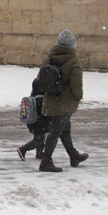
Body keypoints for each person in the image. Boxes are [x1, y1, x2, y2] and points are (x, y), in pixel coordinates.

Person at [38, 29, 89, 172]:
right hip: (65, 103)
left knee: (65, 129)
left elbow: (39, 79)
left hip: (51, 100)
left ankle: (73, 155)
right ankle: (45, 162)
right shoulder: (74, 61)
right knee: (55, 133)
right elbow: (76, 84)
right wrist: (78, 97)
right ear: (72, 45)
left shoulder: (49, 58)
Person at [17, 78, 48, 160]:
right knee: (39, 139)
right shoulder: (41, 99)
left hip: (34, 122)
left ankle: (39, 153)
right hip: (39, 123)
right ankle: (23, 149)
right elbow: (43, 113)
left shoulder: (34, 97)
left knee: (40, 137)